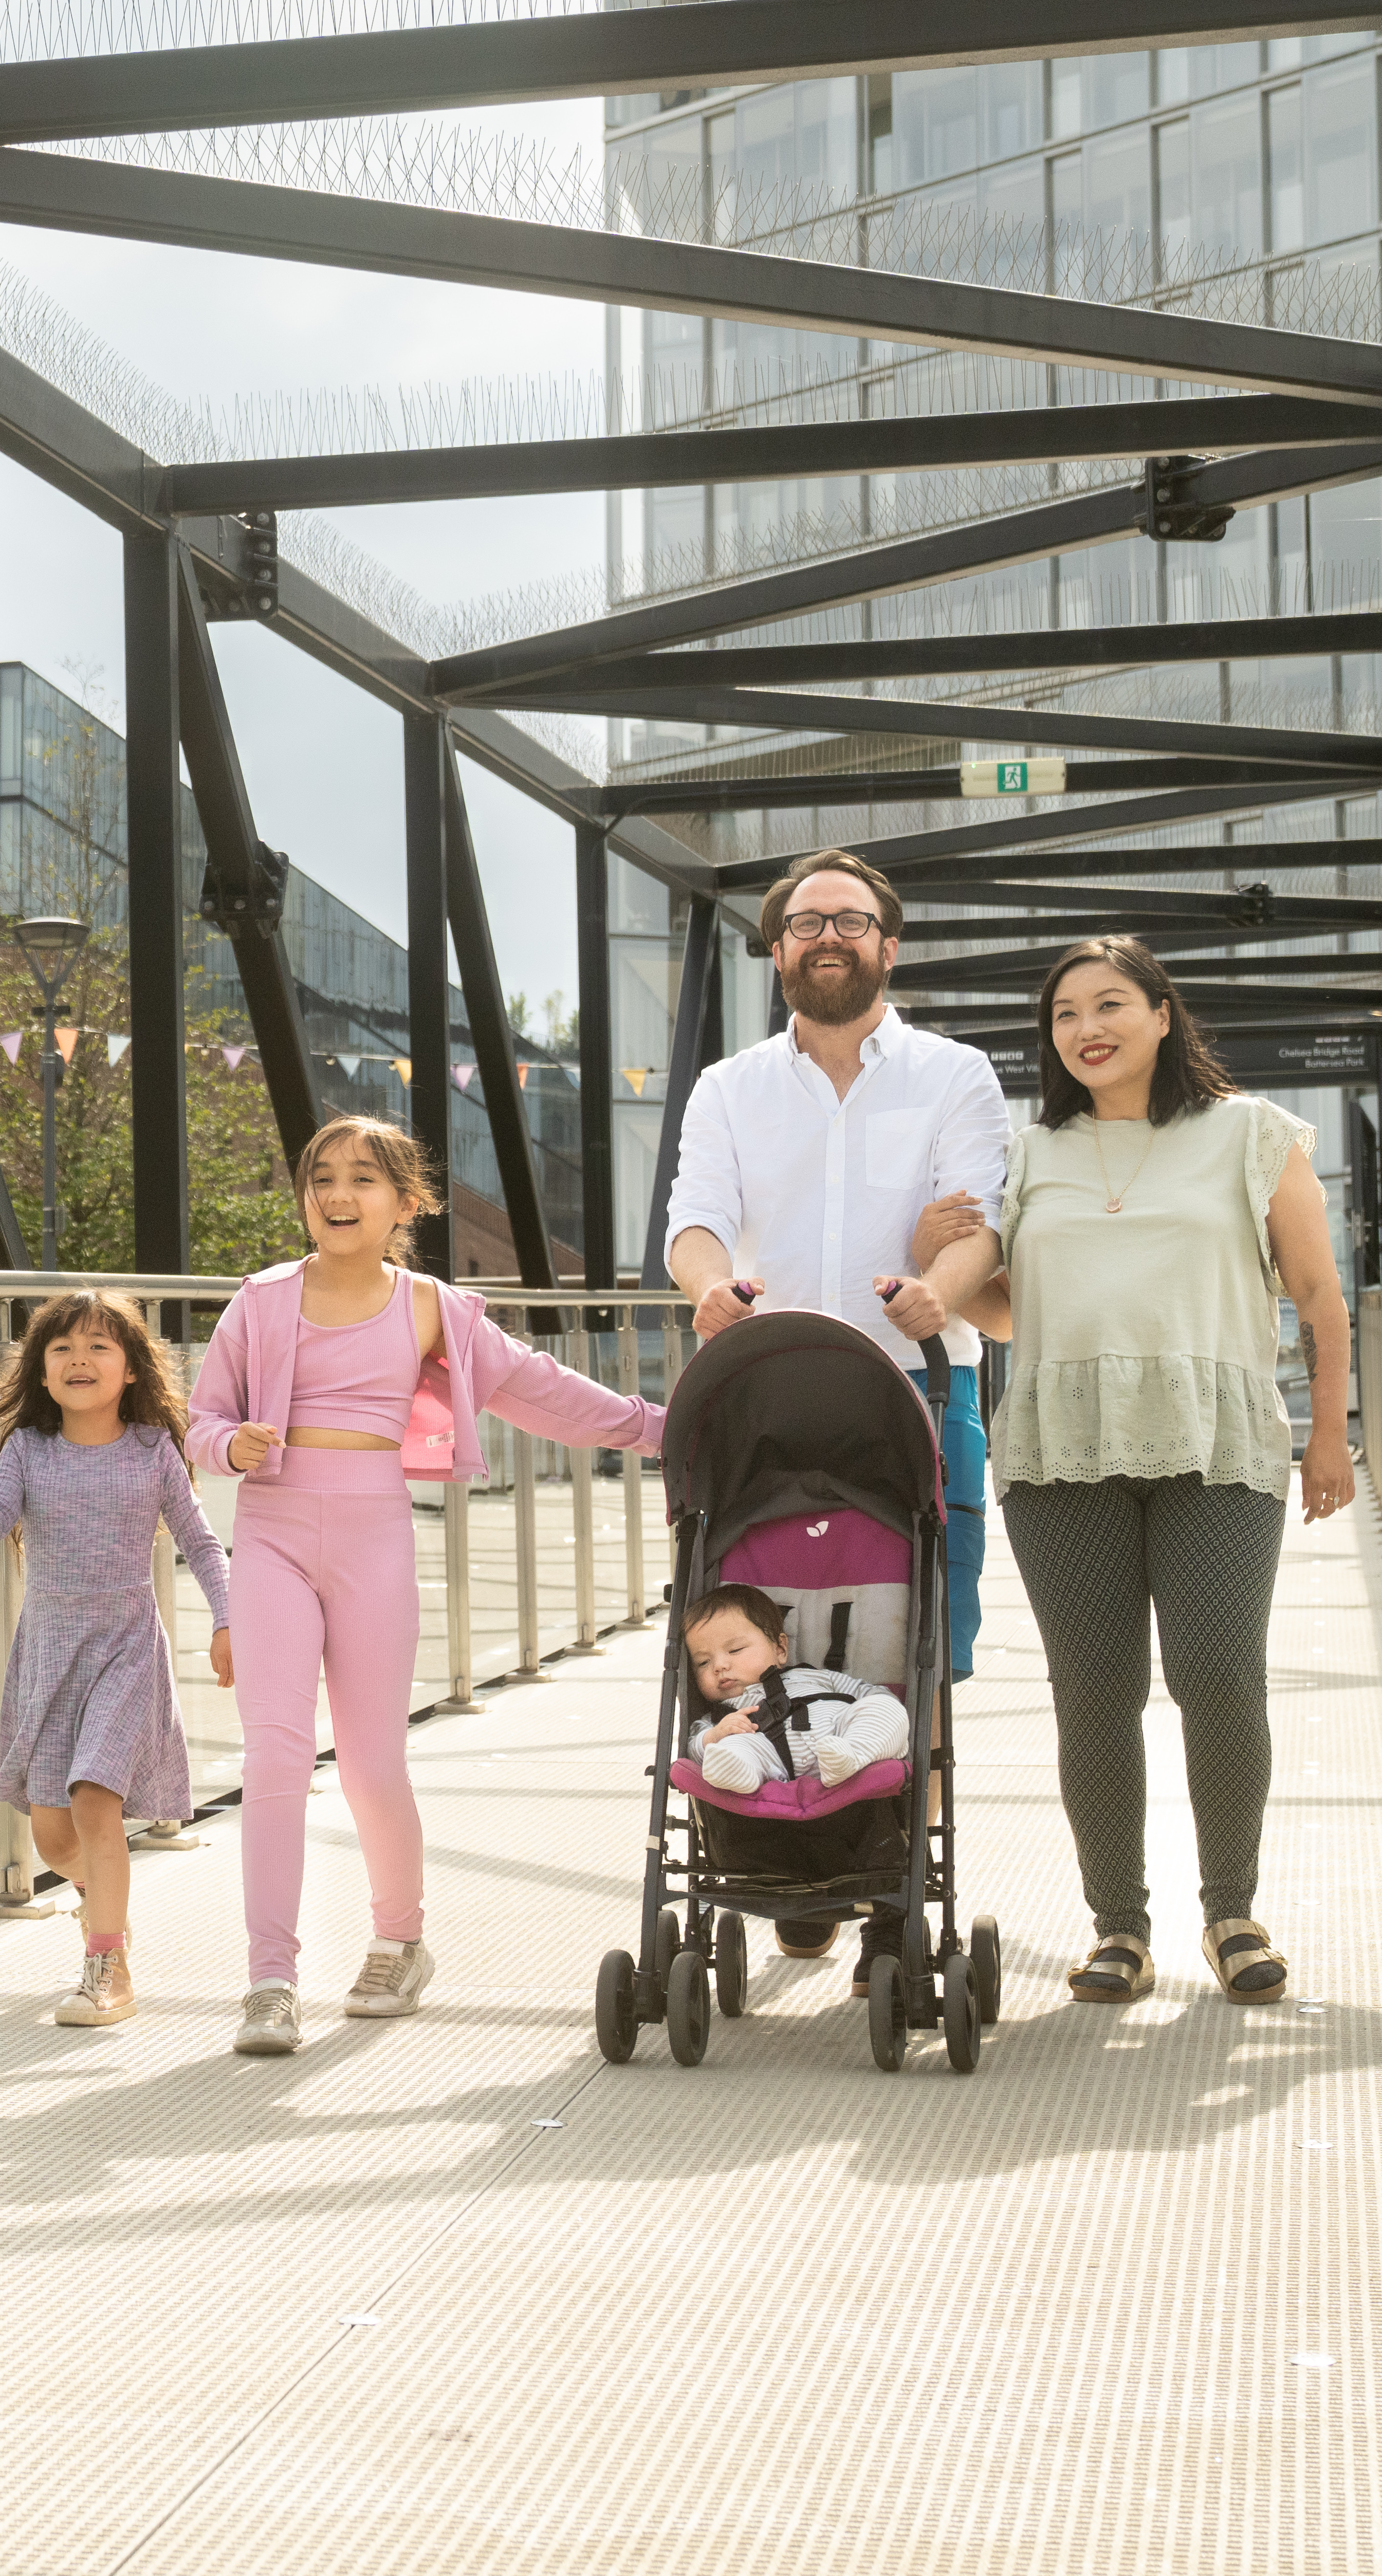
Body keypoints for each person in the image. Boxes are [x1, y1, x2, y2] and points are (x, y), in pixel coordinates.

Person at [182, 1114, 665, 2055]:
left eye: (362, 1179)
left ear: (406, 1203)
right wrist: (225, 1444)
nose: (335, 1195)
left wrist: (659, 1426)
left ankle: (398, 1940)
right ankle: (269, 1979)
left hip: (372, 1536)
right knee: (274, 1759)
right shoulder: (260, 1300)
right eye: (320, 1177)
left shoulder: (430, 1309)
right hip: (272, 1533)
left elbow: (544, 1390)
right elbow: (199, 1419)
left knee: (368, 1763)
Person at [951, 936, 1353, 2008]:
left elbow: (1318, 1297)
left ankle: (1231, 1912)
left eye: (1112, 1003)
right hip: (1062, 1448)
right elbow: (1006, 1308)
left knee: (1218, 1677)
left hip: (1218, 1443)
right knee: (1095, 1692)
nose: (1088, 1027)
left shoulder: (1251, 1135)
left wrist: (1328, 1434)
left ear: (1163, 1014)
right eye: (1066, 1014)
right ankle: (1118, 1928)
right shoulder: (1028, 1152)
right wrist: (943, 1265)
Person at [659, 843, 1009, 1951]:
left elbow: (978, 1223)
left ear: (889, 946)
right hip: (765, 1397)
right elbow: (696, 1216)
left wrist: (933, 1294)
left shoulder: (956, 1074)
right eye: (807, 924)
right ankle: (781, 1854)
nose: (829, 938)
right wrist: (710, 1285)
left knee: (918, 1654)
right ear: (776, 953)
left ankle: (890, 1893)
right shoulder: (732, 1087)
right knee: (759, 1630)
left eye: (851, 922)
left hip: (918, 1384)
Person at [0, 1289, 236, 2030]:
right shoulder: (26, 1448)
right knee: (55, 1841)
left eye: (99, 1347)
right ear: (42, 1374)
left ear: (133, 1372)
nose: (79, 1359)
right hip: (49, 1652)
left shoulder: (153, 1453)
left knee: (94, 1802)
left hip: (125, 1647)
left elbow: (202, 1541)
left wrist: (228, 1616)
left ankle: (106, 1969)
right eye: (62, 1349)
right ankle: (104, 1907)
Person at [675, 1581, 907, 1798]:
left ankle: (853, 1755)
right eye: (703, 1663)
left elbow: (870, 1693)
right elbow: (694, 1748)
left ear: (780, 1649)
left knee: (885, 1707)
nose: (719, 1666)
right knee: (731, 1748)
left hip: (840, 1740)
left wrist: (878, 1711)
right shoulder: (723, 1715)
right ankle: (739, 1772)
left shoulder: (814, 1676)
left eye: (735, 1650)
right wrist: (715, 1736)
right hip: (772, 1762)